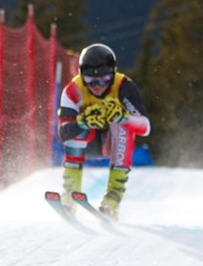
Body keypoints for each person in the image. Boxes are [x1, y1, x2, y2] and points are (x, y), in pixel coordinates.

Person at [56, 43, 151, 220]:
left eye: (105, 80)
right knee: (77, 130)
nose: (97, 86)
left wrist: (124, 117)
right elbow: (63, 134)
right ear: (82, 76)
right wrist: (82, 123)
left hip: (113, 144)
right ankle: (70, 192)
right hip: (87, 143)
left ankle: (113, 198)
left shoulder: (124, 87)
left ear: (113, 75)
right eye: (91, 81)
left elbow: (145, 127)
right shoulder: (73, 90)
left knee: (121, 125)